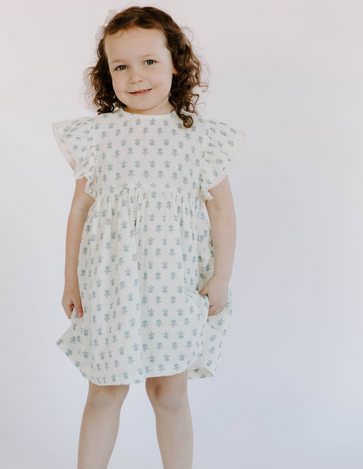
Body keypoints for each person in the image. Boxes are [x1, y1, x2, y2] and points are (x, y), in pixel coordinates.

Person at [52, 6, 247, 469]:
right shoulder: (98, 136)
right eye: (121, 66)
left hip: (173, 285)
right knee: (104, 390)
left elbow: (221, 209)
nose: (135, 76)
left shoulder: (200, 138)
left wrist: (221, 276)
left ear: (175, 62)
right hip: (110, 283)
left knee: (169, 391)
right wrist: (70, 282)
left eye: (149, 62)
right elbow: (80, 209)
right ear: (107, 74)